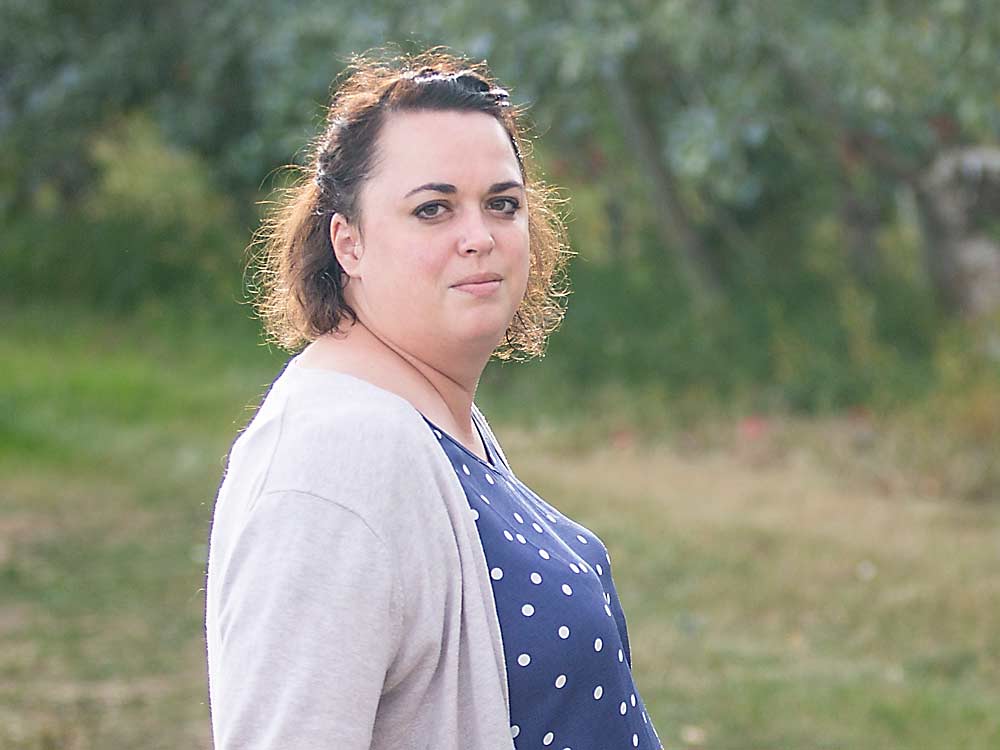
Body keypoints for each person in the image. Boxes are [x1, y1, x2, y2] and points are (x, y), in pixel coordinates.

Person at [205, 49, 663, 750]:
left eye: (502, 204)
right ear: (348, 242)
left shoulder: (430, 414)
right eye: (433, 209)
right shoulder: (329, 460)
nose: (479, 237)